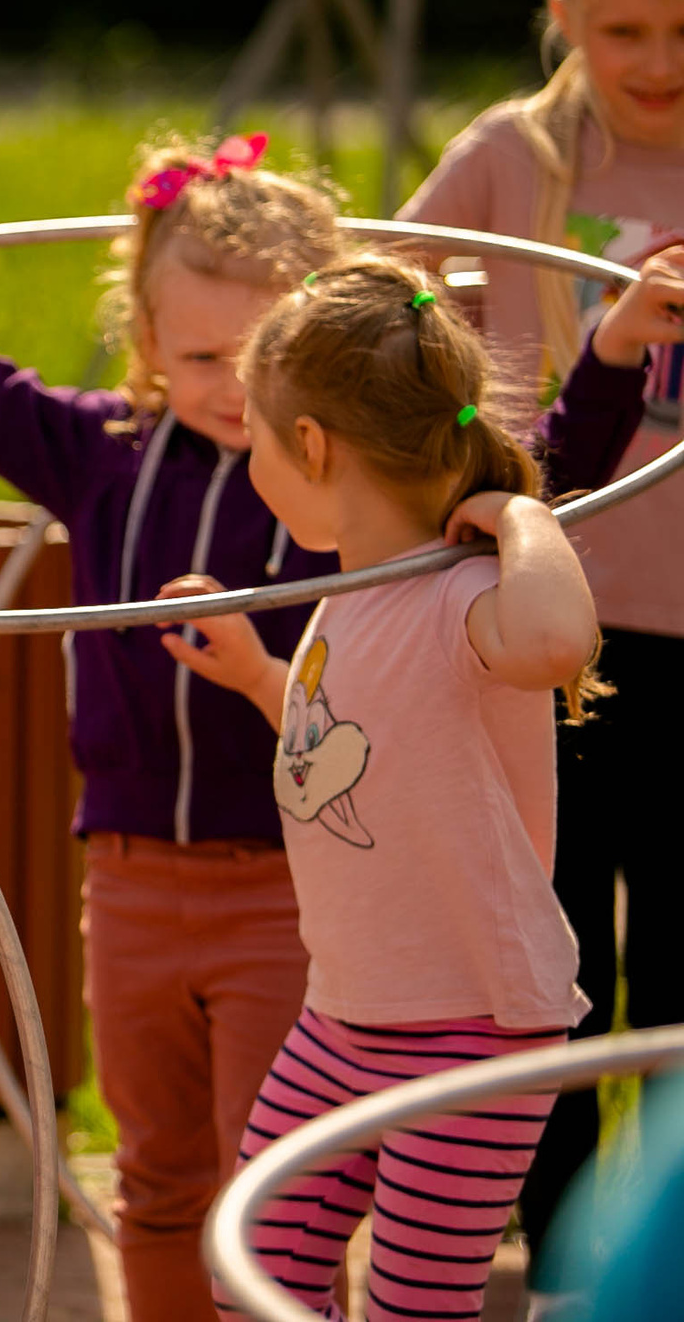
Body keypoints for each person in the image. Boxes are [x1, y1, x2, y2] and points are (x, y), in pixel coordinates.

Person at [0, 137, 652, 1322]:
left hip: (305, 908)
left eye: (257, 368)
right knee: (180, 1187)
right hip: (144, 877)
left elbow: (530, 471)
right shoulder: (113, 461)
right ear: (142, 345)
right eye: (199, 358)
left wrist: (587, 388)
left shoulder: (382, 534)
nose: (233, 396)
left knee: (307, 1206)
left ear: (315, 418)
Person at [158, 256, 618, 1322]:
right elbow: (353, 751)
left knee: (414, 1309)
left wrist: (519, 520)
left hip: (473, 1026)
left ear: (310, 446)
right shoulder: (349, 594)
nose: (253, 460)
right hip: (347, 1014)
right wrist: (259, 677)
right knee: (256, 1274)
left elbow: (554, 639)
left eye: (260, 441)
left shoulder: (462, 592)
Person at [391, 0, 684, 1313]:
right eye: (626, 27)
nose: (657, 62)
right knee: (554, 952)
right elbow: (389, 303)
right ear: (564, 11)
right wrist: (459, 452)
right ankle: (566, 1257)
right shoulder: (514, 154)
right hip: (543, 640)